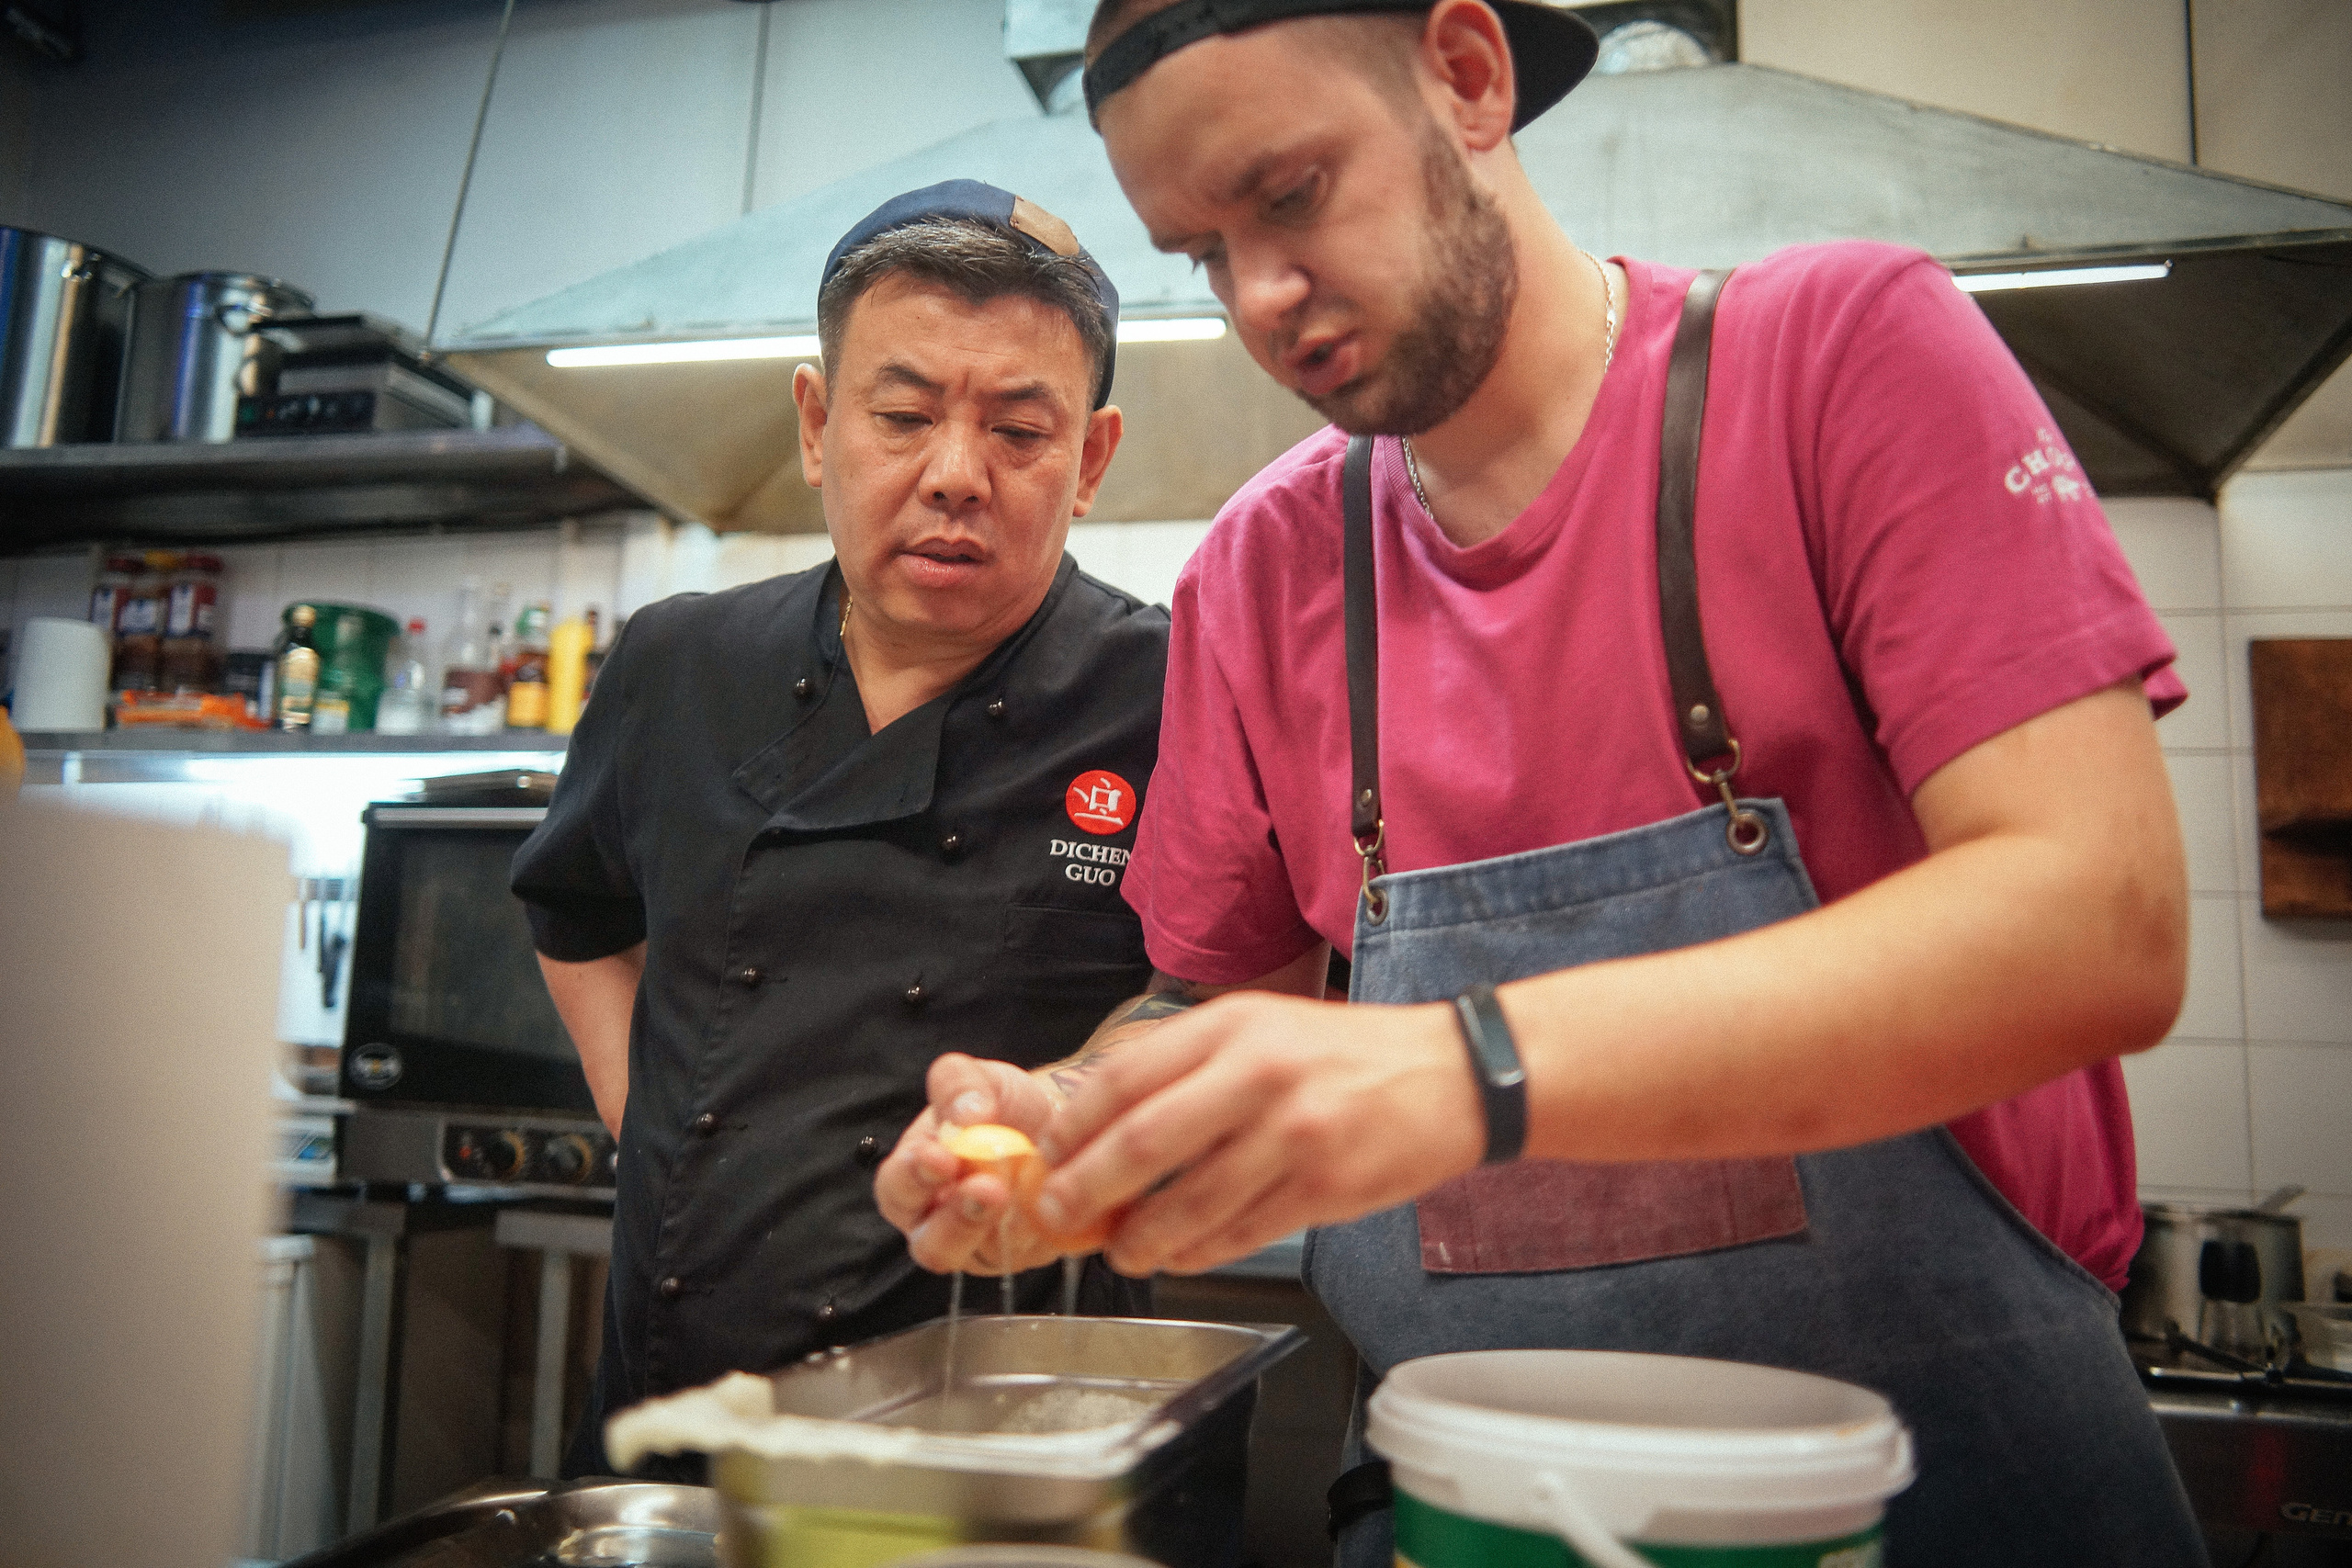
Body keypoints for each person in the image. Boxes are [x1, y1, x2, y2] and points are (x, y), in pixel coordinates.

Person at [876, 5, 2209, 1563]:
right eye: (1201, 255)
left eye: (1292, 195)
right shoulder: (1268, 568)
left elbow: (2098, 917)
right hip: (1474, 1519)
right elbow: (1210, 1000)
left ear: (1469, 75)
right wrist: (1081, 1118)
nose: (1261, 299)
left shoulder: (1838, 360)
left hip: (1953, 1507)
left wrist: (1469, 1070)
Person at [513, 180, 1168, 1478]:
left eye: (1020, 432)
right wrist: (662, 1122)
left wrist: (1072, 1106)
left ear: (1090, 460)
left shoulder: (1176, 691)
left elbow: (1217, 982)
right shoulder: (680, 662)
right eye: (905, 415)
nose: (954, 477)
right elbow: (575, 911)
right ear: (819, 426)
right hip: (689, 1412)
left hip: (1015, 1444)